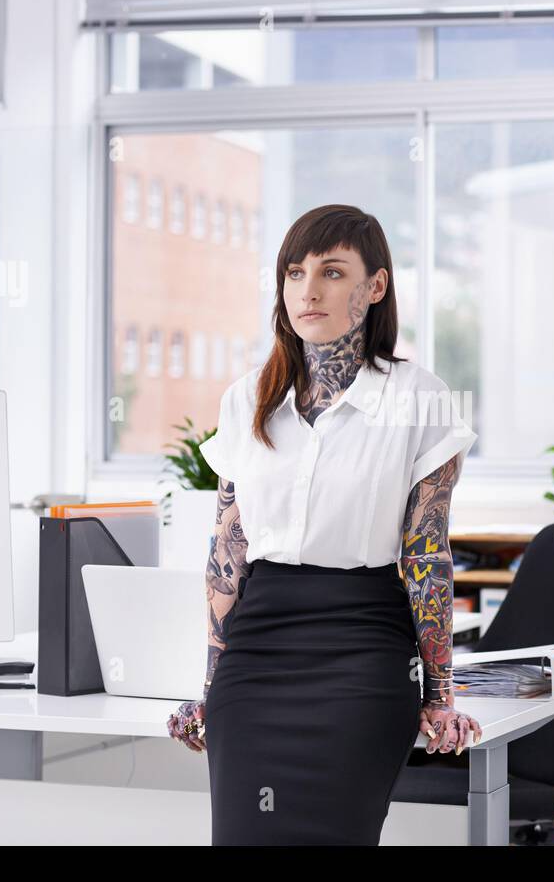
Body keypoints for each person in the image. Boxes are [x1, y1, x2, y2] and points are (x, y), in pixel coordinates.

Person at [165, 203, 482, 845]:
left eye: (332, 272)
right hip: (255, 659)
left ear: (375, 286)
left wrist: (440, 694)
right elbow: (227, 553)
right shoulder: (246, 397)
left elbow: (426, 558)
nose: (308, 290)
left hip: (361, 654)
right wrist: (208, 689)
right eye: (294, 272)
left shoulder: (421, 399)